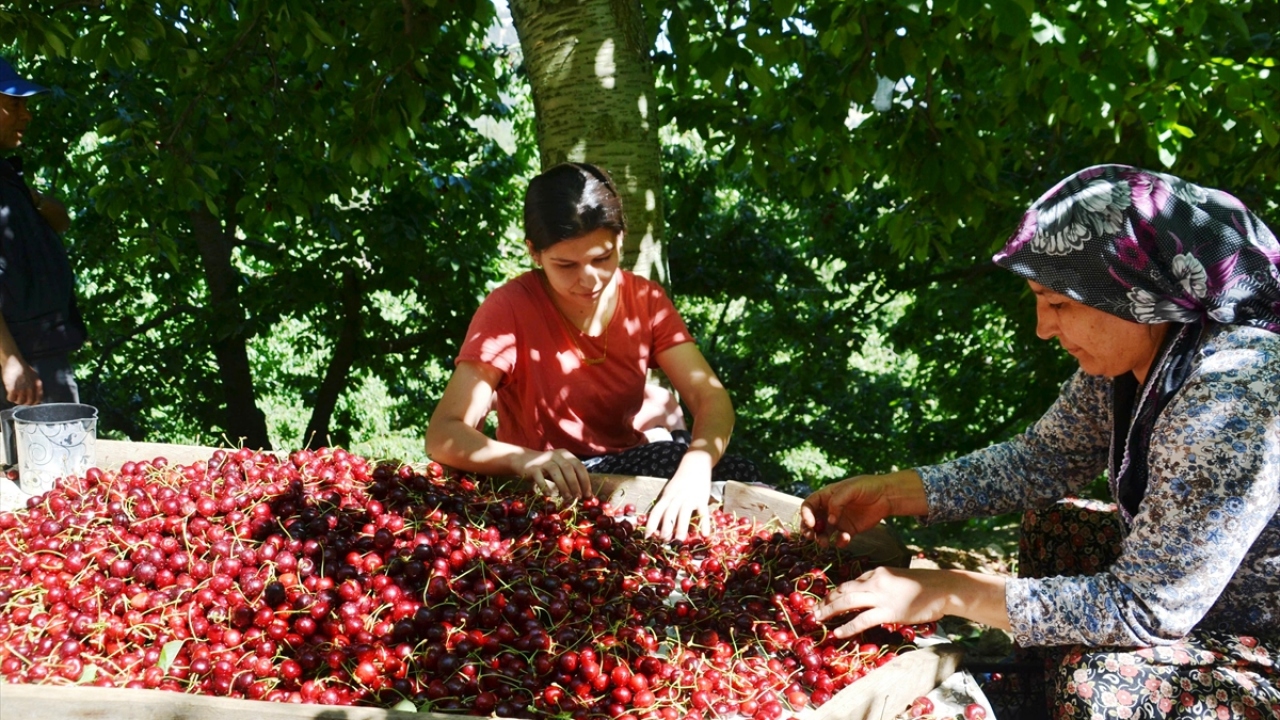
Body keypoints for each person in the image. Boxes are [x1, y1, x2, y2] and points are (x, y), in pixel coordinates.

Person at [801, 164, 1280, 717]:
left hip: (1258, 643)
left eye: (1058, 303)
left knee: (1102, 686)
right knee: (1058, 528)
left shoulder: (1232, 396)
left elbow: (1146, 608)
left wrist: (943, 589)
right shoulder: (1133, 357)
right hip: (1202, 605)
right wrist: (892, 493)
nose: (1043, 328)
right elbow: (1043, 459)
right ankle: (1039, 687)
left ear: (1136, 293)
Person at [427, 162, 760, 541]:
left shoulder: (645, 300)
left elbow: (709, 397)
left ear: (621, 240)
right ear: (534, 253)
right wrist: (524, 458)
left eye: (602, 259)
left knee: (740, 475)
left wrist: (697, 466)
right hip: (545, 481)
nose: (589, 279)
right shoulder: (508, 308)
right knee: (669, 457)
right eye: (566, 265)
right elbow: (443, 433)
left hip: (625, 468)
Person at [0, 57, 85, 409]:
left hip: (41, 352)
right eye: (14, 103)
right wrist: (8, 359)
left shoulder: (7, 174)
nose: (27, 114)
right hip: (19, 365)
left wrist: (31, 197)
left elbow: (61, 219)